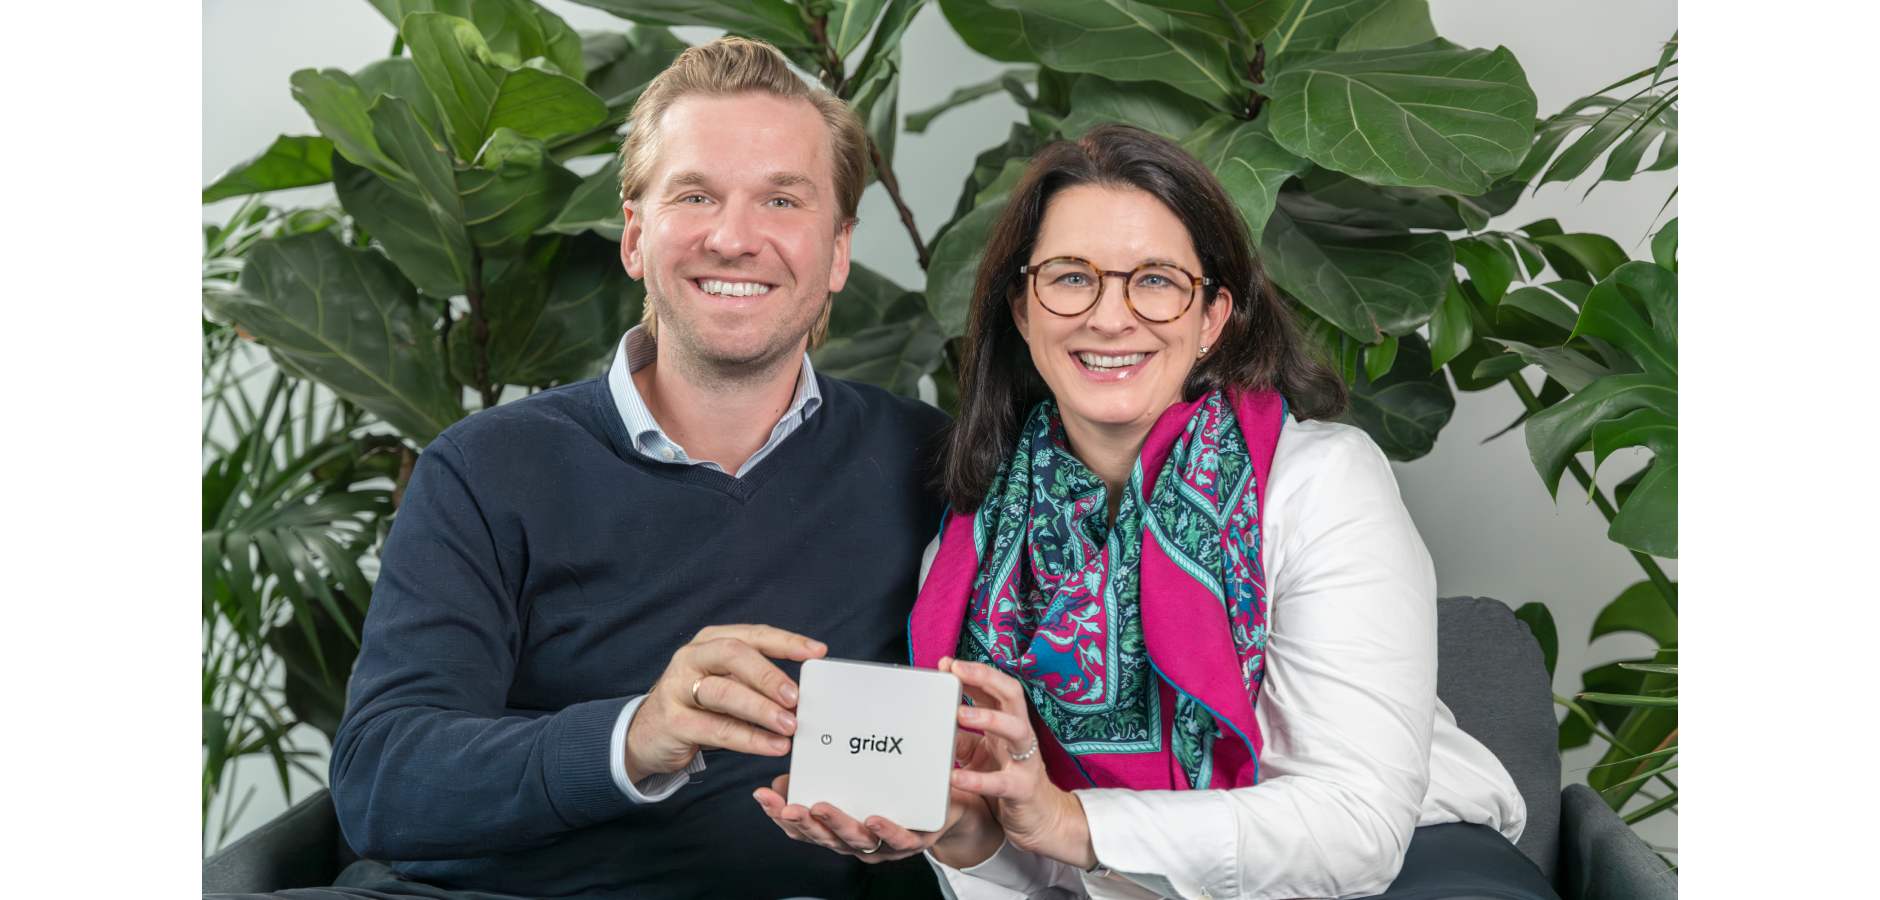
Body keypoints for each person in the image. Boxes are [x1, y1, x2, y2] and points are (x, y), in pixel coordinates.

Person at [213, 38, 949, 900]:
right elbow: (383, 782)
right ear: (635, 236)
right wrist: (634, 737)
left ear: (838, 251)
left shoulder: (927, 464)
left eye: (781, 200)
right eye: (695, 195)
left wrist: (952, 813)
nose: (734, 238)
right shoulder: (484, 469)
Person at [756, 124, 1555, 900]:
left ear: (1212, 318)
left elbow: (1357, 830)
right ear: (1022, 310)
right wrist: (971, 832)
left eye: (1158, 281)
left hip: (1413, 873)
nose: (1110, 317)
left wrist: (1070, 820)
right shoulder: (976, 551)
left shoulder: (1321, 482)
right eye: (1071, 277)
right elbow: (1072, 870)